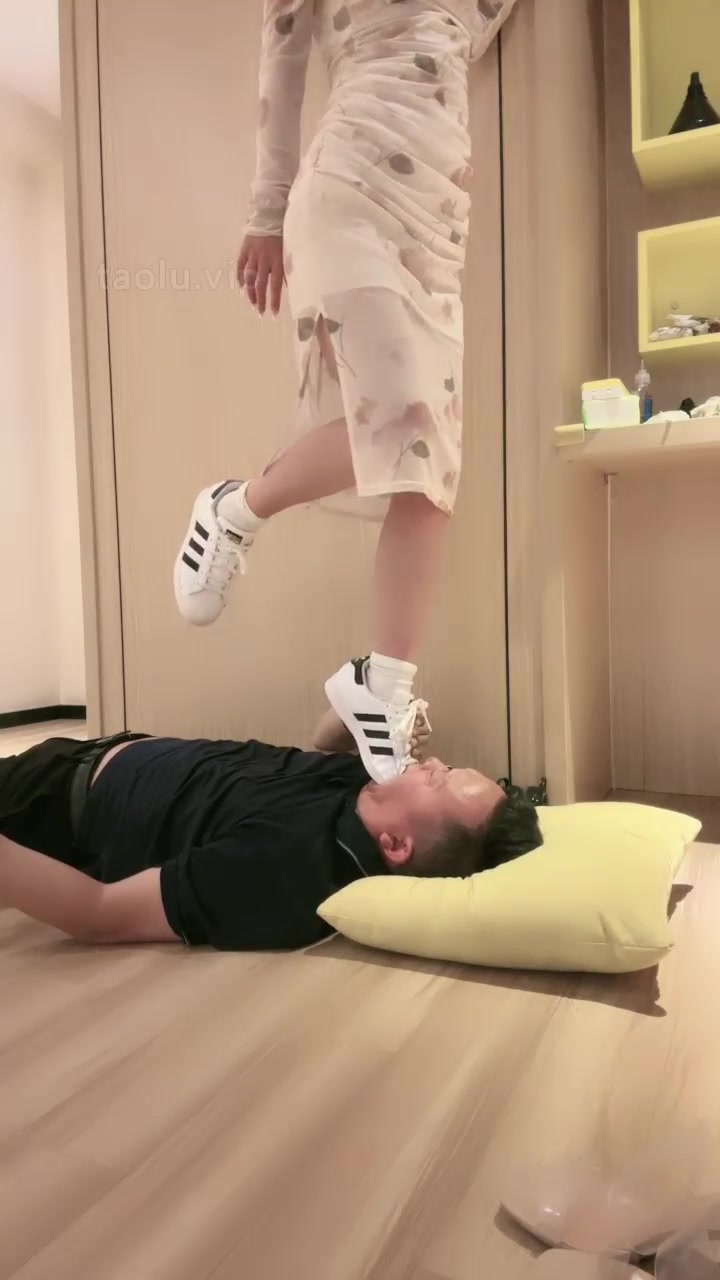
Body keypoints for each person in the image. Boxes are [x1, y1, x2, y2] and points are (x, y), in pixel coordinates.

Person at [173, 0, 519, 779]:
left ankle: (381, 686)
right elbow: (283, 56)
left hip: (440, 218)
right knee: (409, 426)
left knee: (431, 473)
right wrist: (265, 214)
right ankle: (233, 509)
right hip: (353, 185)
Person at [0, 728, 542, 950]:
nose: (433, 762)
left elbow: (99, 914)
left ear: (397, 845)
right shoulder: (365, 787)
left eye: (439, 781)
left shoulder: (290, 868)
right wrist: (363, 706)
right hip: (81, 755)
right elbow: (314, 746)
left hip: (43, 803)